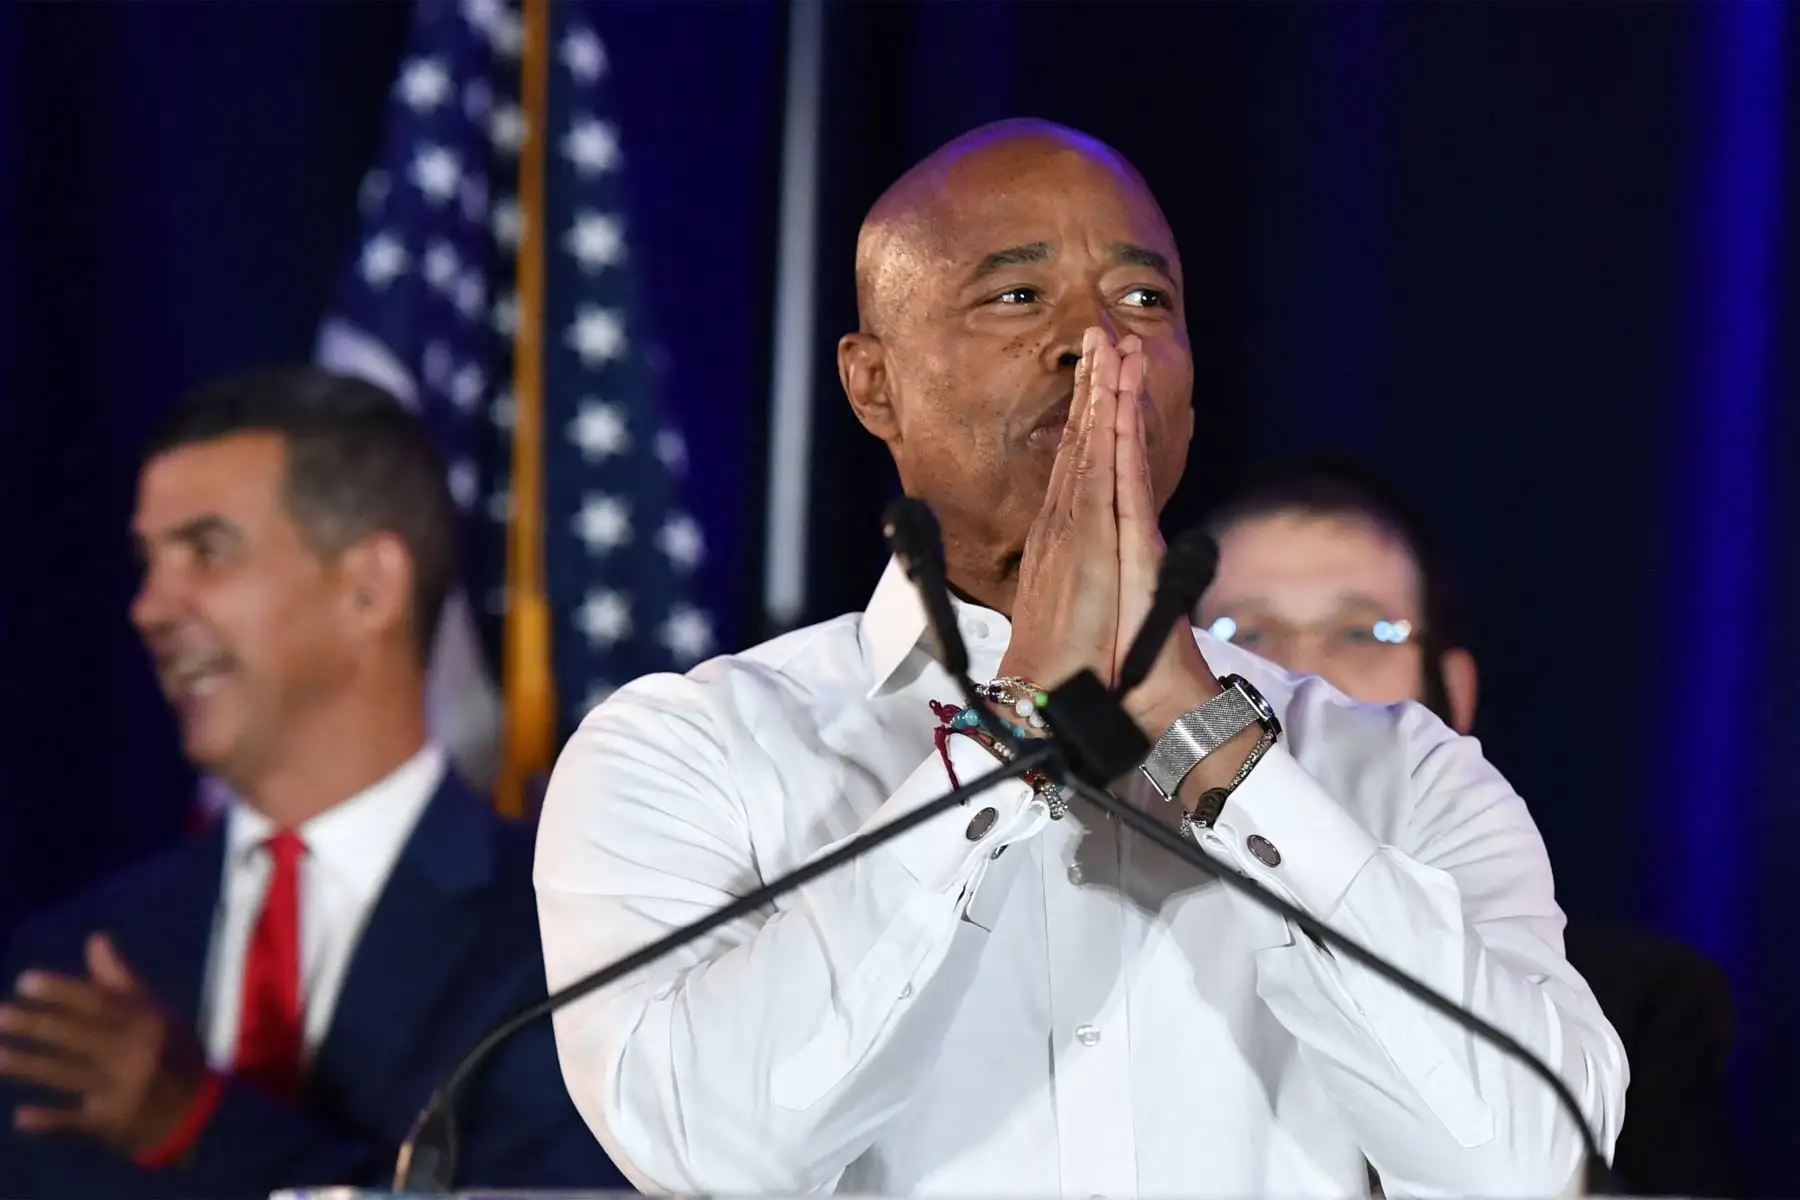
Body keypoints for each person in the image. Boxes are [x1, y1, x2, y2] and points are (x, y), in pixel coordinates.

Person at [535, 120, 1627, 1198]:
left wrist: (1219, 753)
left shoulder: (1400, 776)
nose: (1098, 346)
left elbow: (1533, 1166)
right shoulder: (691, 752)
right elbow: (714, 1155)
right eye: (1017, 297)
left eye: (1144, 301)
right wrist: (1012, 726)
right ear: (874, 385)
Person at [0, 368, 626, 1197]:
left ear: (369, 587)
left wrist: (203, 1127)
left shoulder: (565, 940)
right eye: (148, 562)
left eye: (207, 552)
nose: (148, 608)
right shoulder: (74, 967)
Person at [1195, 454, 1740, 1198]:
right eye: (1244, 637)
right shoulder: (1122, 936)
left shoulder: (1636, 1003)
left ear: (1454, 692)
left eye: (1360, 633)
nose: (1299, 676)